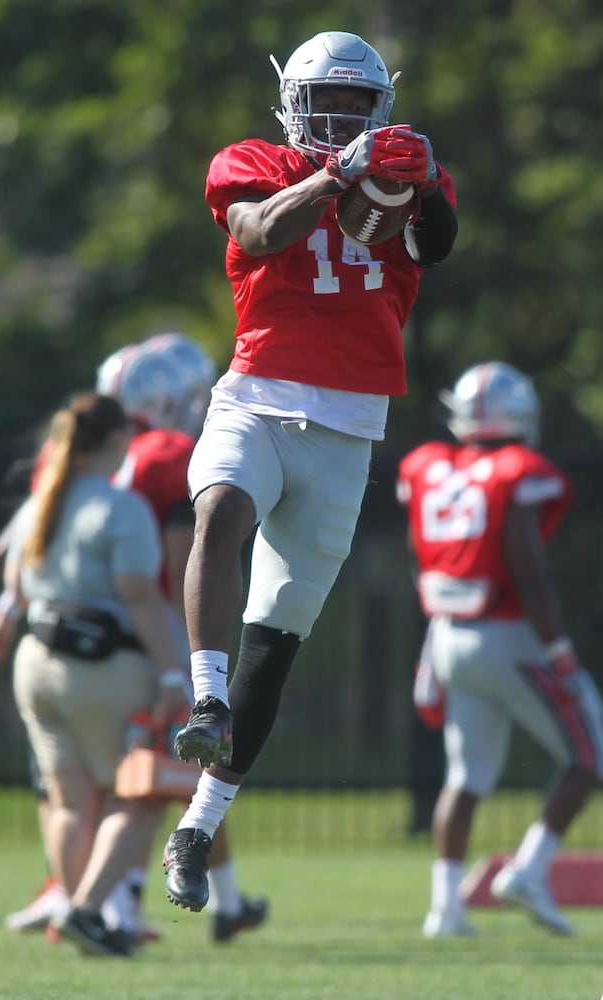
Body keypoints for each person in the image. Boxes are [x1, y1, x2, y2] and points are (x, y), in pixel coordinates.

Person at [162, 29, 458, 912]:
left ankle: (196, 829)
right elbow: (256, 230)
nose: (338, 117)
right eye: (324, 102)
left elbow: (434, 248)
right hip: (254, 394)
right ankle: (204, 701)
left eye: (355, 105)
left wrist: (415, 183)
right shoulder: (250, 162)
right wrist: (335, 175)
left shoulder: (405, 169)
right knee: (220, 511)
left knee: (278, 640)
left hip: (349, 424)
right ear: (292, 103)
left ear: (381, 107)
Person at [0, 335, 268, 945]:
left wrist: (7, 609)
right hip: (128, 646)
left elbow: (17, 551)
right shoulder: (167, 458)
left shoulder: (59, 464)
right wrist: (180, 666)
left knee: (74, 797)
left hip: (42, 646)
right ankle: (109, 908)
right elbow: (171, 570)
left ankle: (101, 903)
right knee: (150, 786)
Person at [396, 361, 603, 938]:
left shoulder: (428, 466)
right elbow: (526, 565)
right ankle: (530, 871)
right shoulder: (518, 469)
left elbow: (419, 553)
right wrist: (558, 648)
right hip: (510, 635)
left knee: (468, 775)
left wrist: (434, 631)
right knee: (592, 754)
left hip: (449, 635)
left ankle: (445, 908)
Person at [0, 391, 192, 956]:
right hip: (107, 663)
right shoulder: (121, 506)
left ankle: (80, 911)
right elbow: (138, 593)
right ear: (113, 440)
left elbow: (14, 588)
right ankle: (86, 911)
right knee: (140, 795)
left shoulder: (39, 504)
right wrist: (172, 675)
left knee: (69, 802)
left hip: (36, 663)